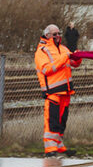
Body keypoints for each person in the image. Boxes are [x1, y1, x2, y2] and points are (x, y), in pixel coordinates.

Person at [34, 24, 82, 158]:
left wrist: (78, 57)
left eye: (59, 33)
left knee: (62, 121)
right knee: (52, 120)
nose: (58, 36)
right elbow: (46, 69)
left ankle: (59, 146)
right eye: (55, 34)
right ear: (47, 35)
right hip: (53, 92)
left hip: (65, 91)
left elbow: (73, 63)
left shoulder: (63, 48)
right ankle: (50, 149)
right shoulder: (42, 51)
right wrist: (64, 58)